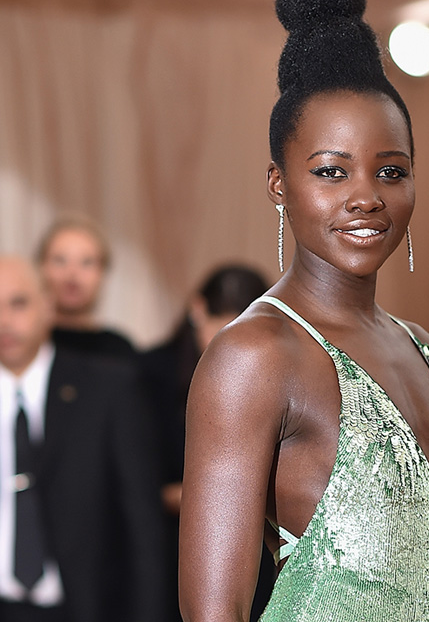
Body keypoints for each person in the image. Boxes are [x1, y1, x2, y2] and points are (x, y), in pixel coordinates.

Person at [179, 0, 429, 622]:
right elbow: (213, 615)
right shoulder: (253, 357)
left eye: (390, 171)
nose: (365, 199)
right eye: (331, 171)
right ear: (279, 185)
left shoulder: (428, 352)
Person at [0, 256, 165, 622]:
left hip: (82, 608)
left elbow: (143, 527)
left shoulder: (107, 388)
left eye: (18, 303)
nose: (4, 321)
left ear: (47, 305)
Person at [143, 265, 273, 622]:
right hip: (171, 548)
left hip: (256, 553)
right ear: (197, 311)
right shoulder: (150, 373)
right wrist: (242, 498)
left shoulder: (267, 372)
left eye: (243, 330)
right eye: (222, 327)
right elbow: (139, 486)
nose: (231, 342)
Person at [35, 214, 137, 361]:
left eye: (86, 262)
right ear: (41, 268)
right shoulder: (24, 345)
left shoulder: (119, 350)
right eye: (60, 260)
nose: (72, 274)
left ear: (103, 273)